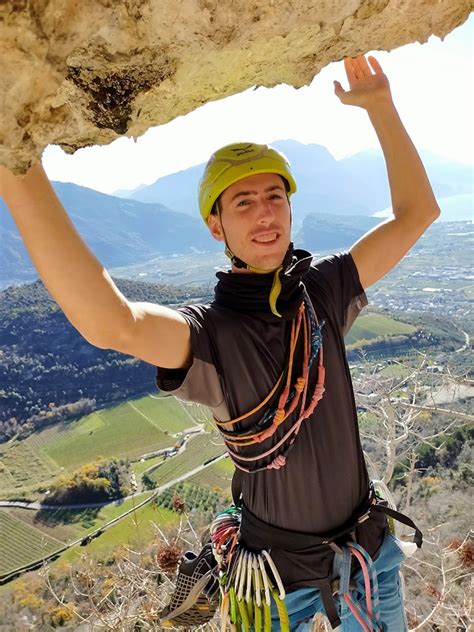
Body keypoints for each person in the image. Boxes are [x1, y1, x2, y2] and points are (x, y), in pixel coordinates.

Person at [0, 55, 439, 631]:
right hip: (280, 585)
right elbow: (112, 323)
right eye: (243, 202)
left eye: (275, 197)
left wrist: (380, 107)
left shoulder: (323, 291)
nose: (265, 213)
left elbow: (417, 214)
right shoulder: (211, 334)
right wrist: (16, 164)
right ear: (217, 226)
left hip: (367, 558)